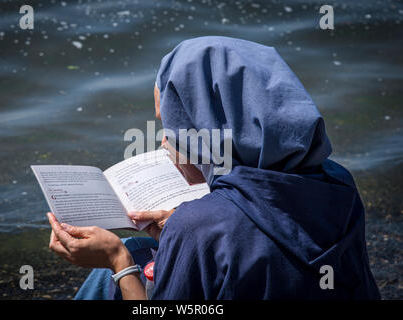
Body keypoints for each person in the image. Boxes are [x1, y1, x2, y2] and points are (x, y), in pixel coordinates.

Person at [47, 36, 380, 299]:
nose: (164, 142)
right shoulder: (338, 181)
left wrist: (115, 258)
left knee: (126, 259)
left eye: (173, 123)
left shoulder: (200, 226)